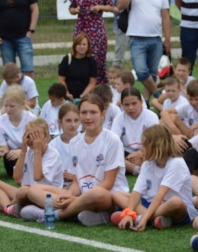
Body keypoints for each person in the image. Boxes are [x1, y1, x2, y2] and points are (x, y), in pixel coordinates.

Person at [26, 93, 130, 226]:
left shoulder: (112, 140)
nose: (88, 117)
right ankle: (91, 214)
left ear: (103, 114)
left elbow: (108, 183)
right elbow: (76, 182)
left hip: (107, 196)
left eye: (93, 112)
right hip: (81, 195)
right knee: (33, 190)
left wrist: (75, 198)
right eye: (84, 112)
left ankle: (56, 214)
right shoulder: (75, 142)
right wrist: (69, 195)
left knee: (95, 194)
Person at [111, 125, 198, 231]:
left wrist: (143, 219)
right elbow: (136, 192)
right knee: (117, 194)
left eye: (144, 145)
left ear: (157, 146)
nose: (141, 149)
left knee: (176, 202)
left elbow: (160, 195)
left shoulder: (176, 163)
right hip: (151, 204)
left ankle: (142, 218)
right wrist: (129, 213)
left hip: (173, 209)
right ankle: (157, 219)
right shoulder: (147, 164)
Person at [0, 118, 63, 216]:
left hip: (45, 197)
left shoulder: (52, 154)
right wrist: (23, 151)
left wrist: (37, 150)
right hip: (25, 193)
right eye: (28, 135)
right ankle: (8, 207)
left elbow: (37, 177)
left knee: (23, 191)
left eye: (36, 136)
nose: (32, 139)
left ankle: (7, 205)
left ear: (46, 138)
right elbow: (16, 177)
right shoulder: (29, 152)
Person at [116, 0, 171, 100]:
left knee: (152, 75)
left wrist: (168, 39)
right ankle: (159, 96)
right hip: (137, 37)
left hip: (156, 38)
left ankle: (146, 103)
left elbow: (165, 17)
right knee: (141, 72)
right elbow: (120, 5)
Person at [69, 0, 117, 84]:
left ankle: (99, 86)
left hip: (97, 28)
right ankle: (81, 84)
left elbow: (111, 6)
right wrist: (75, 10)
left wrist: (100, 7)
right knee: (80, 56)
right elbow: (71, 8)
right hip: (81, 27)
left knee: (98, 59)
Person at [113, 87, 159, 175]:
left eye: (134, 103)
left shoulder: (150, 116)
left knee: (157, 154)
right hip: (127, 154)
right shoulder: (119, 118)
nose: (131, 108)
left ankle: (133, 167)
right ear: (122, 105)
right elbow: (115, 141)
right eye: (126, 105)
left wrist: (141, 153)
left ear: (141, 102)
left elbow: (154, 140)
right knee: (112, 157)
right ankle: (137, 170)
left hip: (147, 151)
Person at [0, 85, 35, 179]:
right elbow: (4, 147)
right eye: (6, 106)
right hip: (12, 156)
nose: (8, 109)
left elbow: (37, 145)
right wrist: (2, 150)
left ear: (22, 104)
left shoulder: (31, 119)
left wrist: (22, 151)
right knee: (10, 159)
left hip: (30, 153)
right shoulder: (0, 122)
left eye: (12, 106)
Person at [57, 33, 98, 100]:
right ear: (74, 45)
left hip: (85, 97)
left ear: (88, 46)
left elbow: (92, 83)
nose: (81, 46)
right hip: (67, 96)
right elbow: (61, 80)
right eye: (79, 44)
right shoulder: (67, 59)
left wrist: (83, 95)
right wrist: (67, 94)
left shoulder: (91, 61)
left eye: (84, 44)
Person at [110, 0, 135, 68]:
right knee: (118, 58)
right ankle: (115, 79)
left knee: (137, 56)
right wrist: (119, 10)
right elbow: (109, 6)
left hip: (136, 27)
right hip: (121, 27)